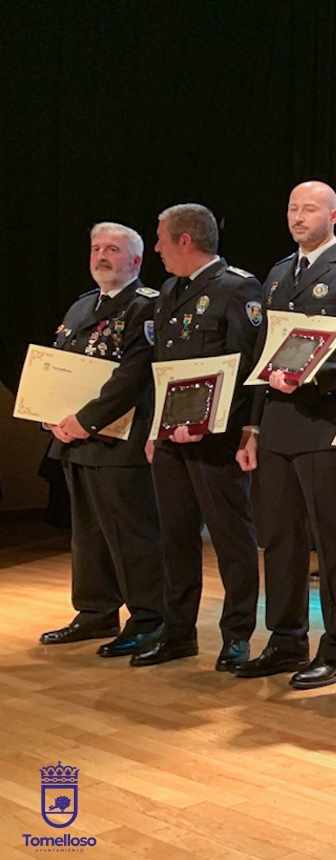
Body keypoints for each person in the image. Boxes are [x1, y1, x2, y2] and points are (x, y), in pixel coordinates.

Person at [234, 181, 336, 689]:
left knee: (334, 541)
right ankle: (284, 638)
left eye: (309, 209)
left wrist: (315, 374)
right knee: (279, 539)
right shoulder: (278, 273)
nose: (298, 217)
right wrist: (252, 427)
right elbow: (263, 354)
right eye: (292, 208)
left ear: (335, 216)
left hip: (326, 421)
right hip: (277, 424)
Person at [136, 203, 263, 671]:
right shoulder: (169, 290)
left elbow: (247, 367)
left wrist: (240, 430)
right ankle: (178, 632)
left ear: (184, 241)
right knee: (176, 537)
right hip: (171, 438)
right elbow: (160, 369)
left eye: (161, 239)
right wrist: (156, 428)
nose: (157, 249)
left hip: (216, 439)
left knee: (232, 540)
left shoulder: (237, 288)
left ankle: (237, 636)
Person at [39, 222, 165, 658]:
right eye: (96, 248)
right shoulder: (80, 308)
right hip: (76, 439)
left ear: (135, 260)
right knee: (88, 533)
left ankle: (149, 619)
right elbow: (58, 368)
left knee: (133, 534)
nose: (102, 256)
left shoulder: (147, 307)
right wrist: (49, 414)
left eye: (112, 249)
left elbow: (132, 376)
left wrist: (85, 420)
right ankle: (95, 612)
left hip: (121, 439)